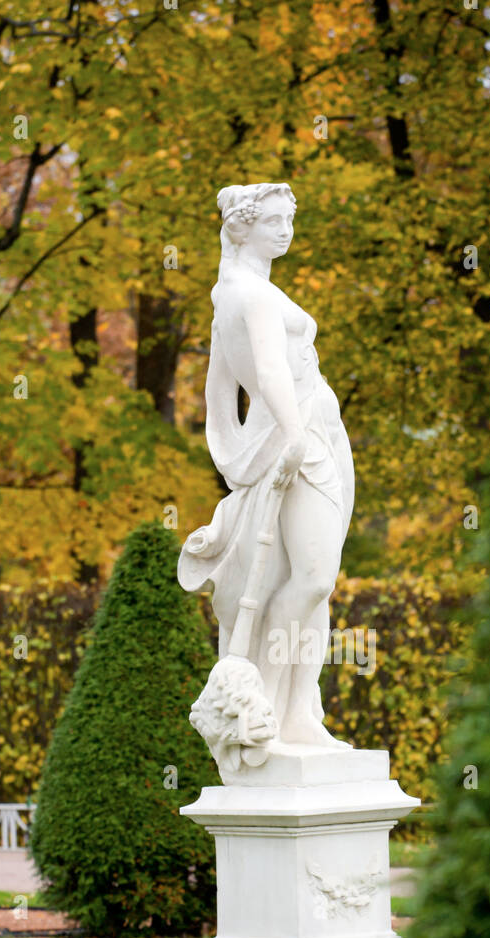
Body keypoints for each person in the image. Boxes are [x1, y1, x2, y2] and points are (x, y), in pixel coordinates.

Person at [179, 181, 355, 747]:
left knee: (313, 581)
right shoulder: (249, 295)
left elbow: (218, 386)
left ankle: (299, 712)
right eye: (274, 220)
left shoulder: (233, 290)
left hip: (311, 430)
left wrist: (243, 445)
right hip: (301, 435)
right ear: (241, 227)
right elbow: (269, 370)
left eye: (289, 220)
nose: (287, 229)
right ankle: (272, 709)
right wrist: (292, 434)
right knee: (311, 577)